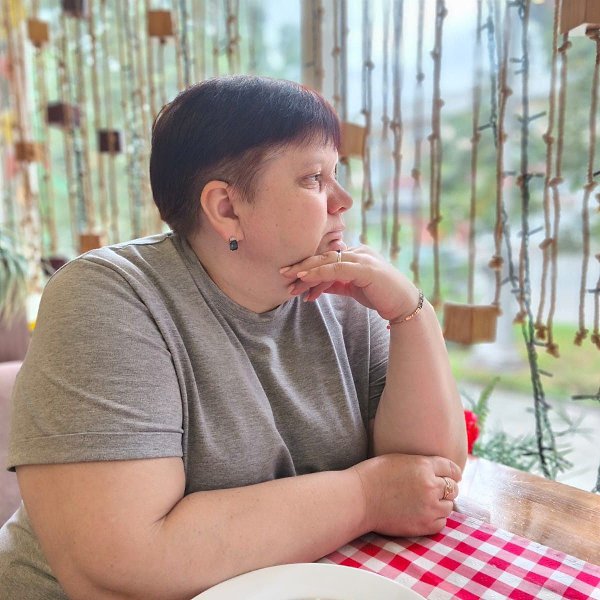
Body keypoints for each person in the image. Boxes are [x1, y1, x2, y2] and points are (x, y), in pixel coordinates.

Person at [0, 75, 466, 599]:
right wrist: (366, 496)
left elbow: (429, 479)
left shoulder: (343, 294)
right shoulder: (107, 297)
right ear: (226, 207)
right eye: (314, 178)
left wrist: (410, 314)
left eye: (337, 174)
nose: (344, 200)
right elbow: (124, 564)